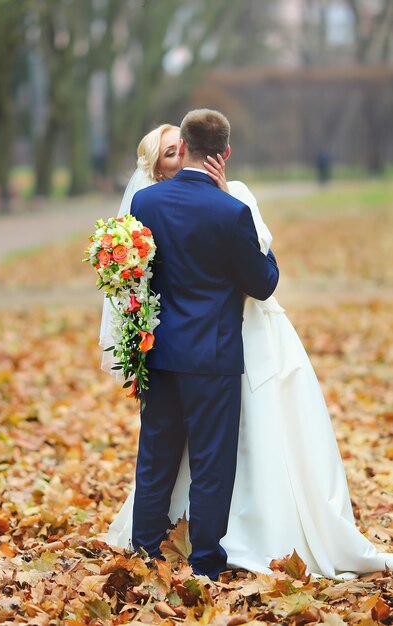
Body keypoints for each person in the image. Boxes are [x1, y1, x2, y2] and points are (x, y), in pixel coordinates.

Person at [103, 116, 393, 580]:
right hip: (213, 356)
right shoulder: (230, 210)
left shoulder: (145, 201)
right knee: (212, 463)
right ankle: (205, 563)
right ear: (225, 153)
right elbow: (261, 284)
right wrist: (266, 251)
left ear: (187, 144)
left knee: (155, 455)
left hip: (159, 352)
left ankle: (143, 551)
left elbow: (137, 275)